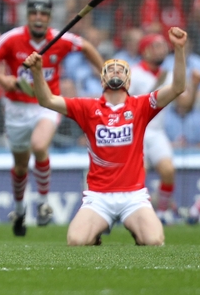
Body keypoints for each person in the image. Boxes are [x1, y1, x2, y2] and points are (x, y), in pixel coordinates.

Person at [24, 26, 188, 246]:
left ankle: (137, 231)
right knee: (76, 241)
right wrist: (37, 72)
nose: (115, 73)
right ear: (102, 81)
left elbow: (177, 87)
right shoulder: (88, 107)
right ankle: (95, 234)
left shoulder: (141, 105)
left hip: (134, 196)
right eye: (110, 70)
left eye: (121, 71)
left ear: (129, 83)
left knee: (154, 240)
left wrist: (178, 49)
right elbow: (47, 100)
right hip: (98, 196)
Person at [0, 0, 103, 236]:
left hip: (47, 104)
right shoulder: (12, 38)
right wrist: (4, 79)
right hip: (15, 109)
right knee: (21, 167)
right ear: (28, 16)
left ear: (49, 18)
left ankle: (43, 204)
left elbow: (85, 46)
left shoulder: (61, 39)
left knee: (39, 145)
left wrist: (104, 71)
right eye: (34, 13)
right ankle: (20, 209)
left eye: (43, 14)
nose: (38, 18)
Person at [128, 34, 177, 221]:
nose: (163, 49)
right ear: (145, 50)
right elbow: (128, 104)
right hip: (135, 131)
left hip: (157, 131)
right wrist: (156, 86)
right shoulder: (133, 73)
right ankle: (138, 216)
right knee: (140, 174)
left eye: (164, 46)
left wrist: (195, 85)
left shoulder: (170, 75)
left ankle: (163, 213)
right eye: (157, 46)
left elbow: (185, 105)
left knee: (168, 170)